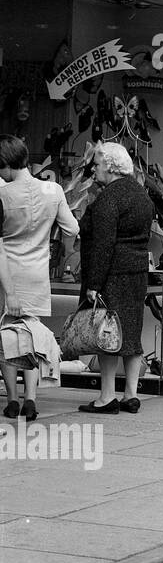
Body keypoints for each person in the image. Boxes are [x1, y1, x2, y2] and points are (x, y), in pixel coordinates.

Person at [0, 136, 79, 418]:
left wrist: (9, 292)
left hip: (7, 274)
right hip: (37, 274)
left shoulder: (3, 194)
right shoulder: (54, 190)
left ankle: (11, 399)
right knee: (31, 335)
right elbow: (72, 228)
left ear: (7, 165)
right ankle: (30, 398)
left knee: (7, 338)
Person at [76, 142, 154, 415]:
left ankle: (107, 396)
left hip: (112, 275)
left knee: (106, 334)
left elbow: (103, 245)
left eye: (96, 164)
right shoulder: (141, 195)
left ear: (110, 165)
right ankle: (131, 395)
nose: (93, 169)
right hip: (136, 273)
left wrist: (94, 285)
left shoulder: (109, 198)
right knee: (131, 333)